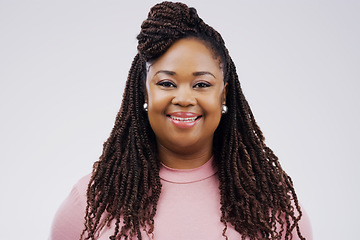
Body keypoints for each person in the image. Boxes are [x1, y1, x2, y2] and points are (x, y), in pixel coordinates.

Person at [50, 2, 312, 240]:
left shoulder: (271, 201)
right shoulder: (93, 198)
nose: (184, 98)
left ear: (224, 94)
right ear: (145, 92)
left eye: (201, 84)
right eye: (166, 83)